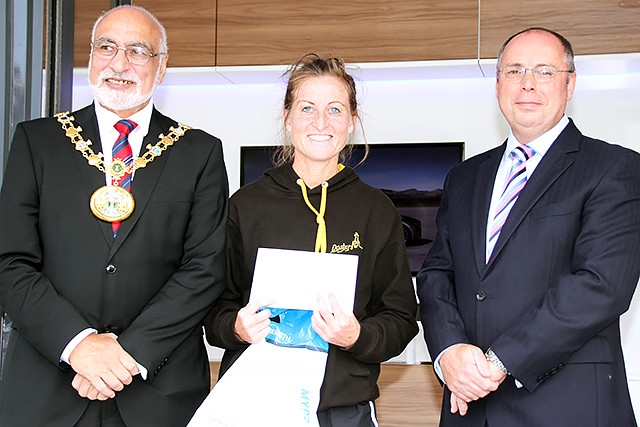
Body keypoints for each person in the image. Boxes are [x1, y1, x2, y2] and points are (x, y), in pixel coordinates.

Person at [0, 5, 228, 426]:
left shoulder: (199, 152)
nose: (119, 63)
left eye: (138, 51)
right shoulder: (38, 142)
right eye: (107, 47)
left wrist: (125, 355)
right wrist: (79, 346)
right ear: (90, 57)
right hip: (48, 388)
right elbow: (10, 261)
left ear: (161, 68)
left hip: (157, 391)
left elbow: (205, 269)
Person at [417, 26, 640, 427]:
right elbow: (437, 273)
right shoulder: (465, 177)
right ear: (498, 83)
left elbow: (601, 286)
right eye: (515, 71)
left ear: (570, 84)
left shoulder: (616, 169)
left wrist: (499, 361)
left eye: (545, 71)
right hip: (469, 407)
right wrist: (448, 350)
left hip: (566, 408)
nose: (528, 84)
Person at [204, 53, 418, 426]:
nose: (321, 122)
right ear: (287, 118)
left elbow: (401, 318)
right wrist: (235, 327)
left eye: (335, 109)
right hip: (255, 402)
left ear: (352, 121)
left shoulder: (376, 211)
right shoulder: (245, 205)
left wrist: (358, 336)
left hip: (344, 409)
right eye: (307, 108)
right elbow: (213, 309)